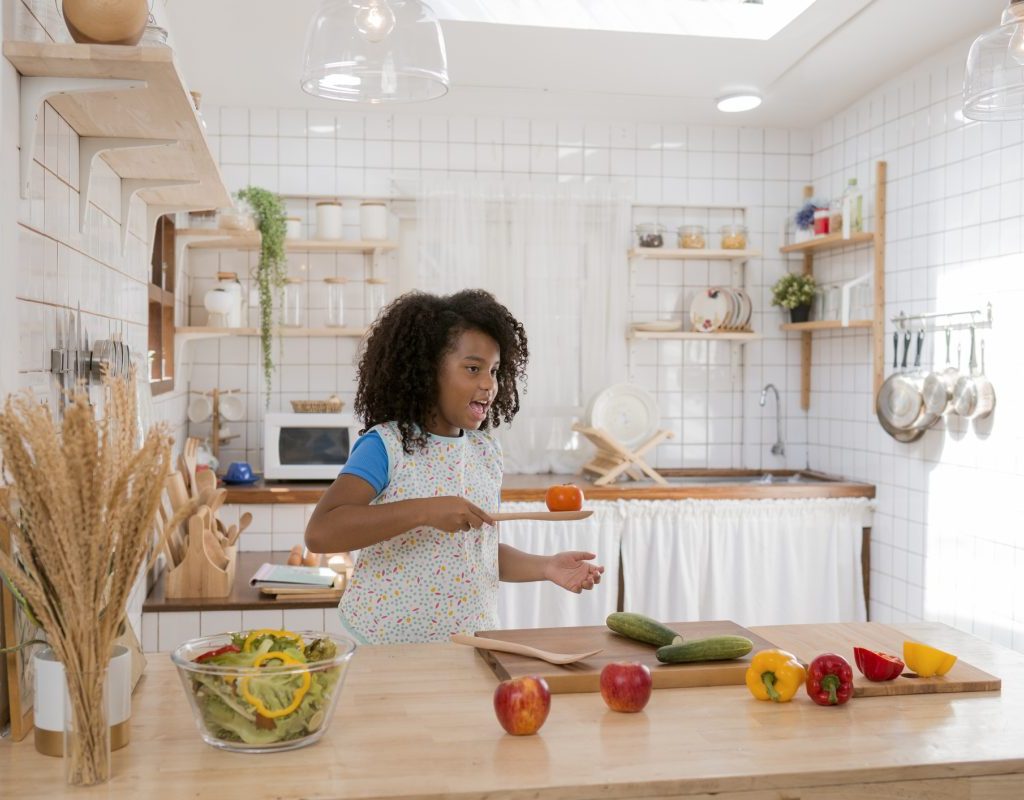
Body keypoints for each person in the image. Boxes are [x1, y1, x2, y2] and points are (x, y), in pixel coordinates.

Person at [305, 289, 604, 645]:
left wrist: (545, 566)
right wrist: (425, 511)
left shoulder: (485, 451)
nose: (488, 384)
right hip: (387, 645)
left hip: (470, 641)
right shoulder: (386, 445)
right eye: (473, 368)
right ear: (428, 371)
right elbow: (321, 532)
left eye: (494, 370)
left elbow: (475, 553)